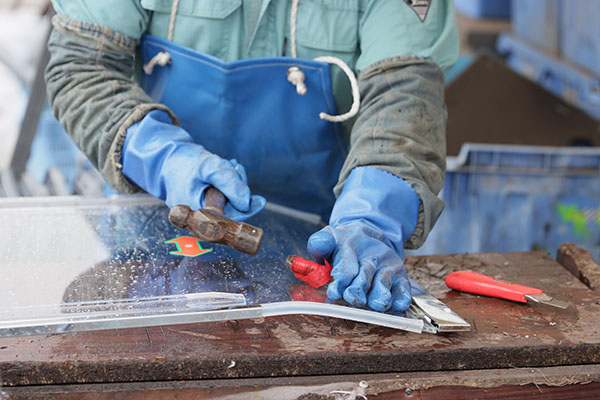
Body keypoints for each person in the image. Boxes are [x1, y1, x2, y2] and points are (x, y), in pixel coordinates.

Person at [45, 0, 458, 313]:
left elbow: (405, 95)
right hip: (148, 225)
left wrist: (373, 213)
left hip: (326, 241)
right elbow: (84, 67)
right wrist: (163, 157)